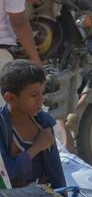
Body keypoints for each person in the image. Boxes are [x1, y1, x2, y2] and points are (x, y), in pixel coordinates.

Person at [0, 61, 62, 189]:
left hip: (43, 194)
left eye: (42, 93)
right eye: (34, 95)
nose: (41, 100)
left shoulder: (43, 123)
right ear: (10, 98)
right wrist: (37, 147)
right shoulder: (3, 128)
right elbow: (4, 176)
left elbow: (56, 171)